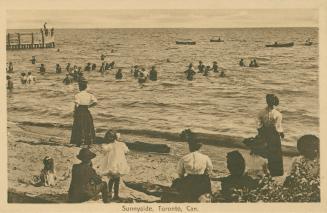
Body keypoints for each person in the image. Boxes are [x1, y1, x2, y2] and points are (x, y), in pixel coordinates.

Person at [172, 129, 213, 202]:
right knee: (207, 180)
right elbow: (209, 170)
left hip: (189, 181)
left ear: (189, 146)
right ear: (199, 147)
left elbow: (180, 173)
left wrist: (183, 179)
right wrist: (203, 175)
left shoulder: (184, 158)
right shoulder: (206, 157)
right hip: (201, 182)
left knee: (176, 182)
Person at [257, 94, 284, 177]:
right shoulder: (277, 114)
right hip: (273, 135)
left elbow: (259, 125)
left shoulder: (261, 112)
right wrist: (281, 133)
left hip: (265, 134)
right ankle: (276, 173)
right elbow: (277, 127)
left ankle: (268, 171)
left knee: (268, 153)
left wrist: (260, 133)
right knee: (275, 154)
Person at [100, 131, 130, 200]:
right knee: (117, 180)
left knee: (111, 180)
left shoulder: (109, 145)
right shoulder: (121, 144)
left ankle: (109, 193)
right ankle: (115, 195)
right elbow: (127, 151)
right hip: (119, 166)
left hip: (112, 165)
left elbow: (104, 150)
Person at [70, 81, 97, 147]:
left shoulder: (77, 95)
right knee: (88, 126)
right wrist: (89, 106)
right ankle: (88, 142)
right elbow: (95, 102)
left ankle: (78, 142)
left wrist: (74, 112)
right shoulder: (90, 95)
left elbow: (77, 105)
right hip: (86, 110)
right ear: (86, 87)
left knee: (78, 126)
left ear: (80, 87)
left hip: (79, 110)